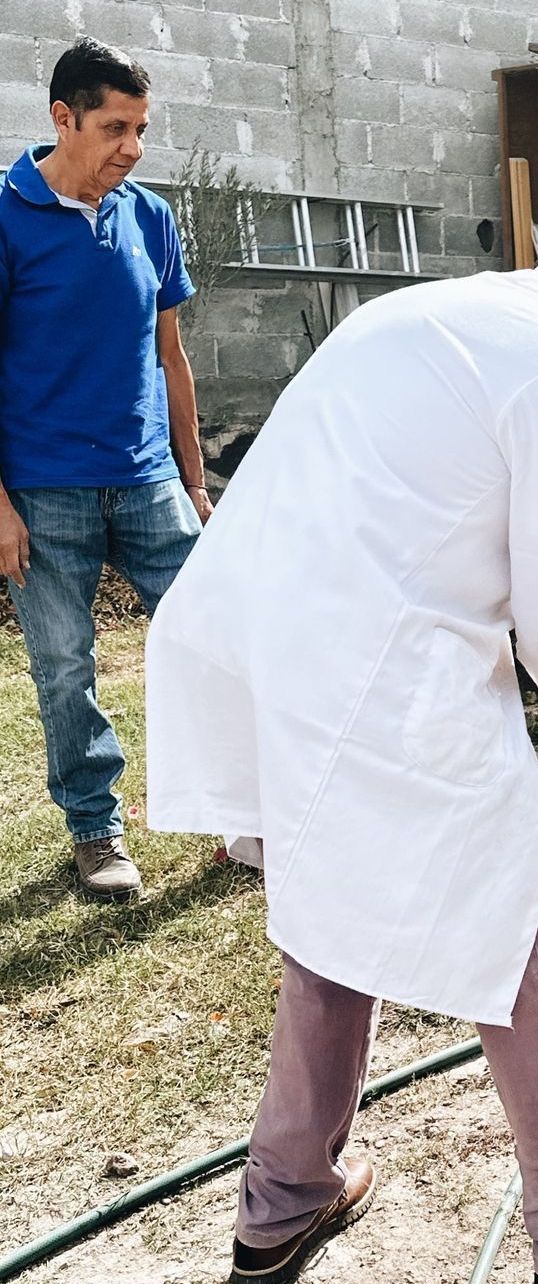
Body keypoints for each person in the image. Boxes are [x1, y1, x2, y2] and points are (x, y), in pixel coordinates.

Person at [144, 198, 538, 1284]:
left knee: (336, 905)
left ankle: (283, 1201)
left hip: (272, 639)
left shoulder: (458, 317)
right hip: (373, 663)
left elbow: (494, 543)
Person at [0, 37, 210, 901]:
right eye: (116, 127)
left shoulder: (149, 217)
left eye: (142, 129)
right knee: (64, 665)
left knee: (220, 632)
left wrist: (195, 481)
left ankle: (247, 806)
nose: (131, 146)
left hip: (150, 477)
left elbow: (173, 357)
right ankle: (96, 829)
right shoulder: (6, 217)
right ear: (63, 118)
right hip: (43, 487)